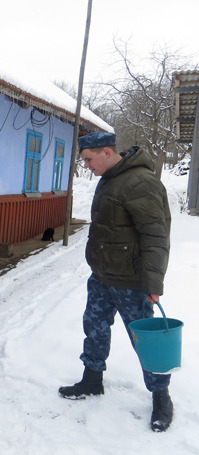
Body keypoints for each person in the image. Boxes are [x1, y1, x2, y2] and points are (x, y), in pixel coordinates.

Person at [58, 132, 173, 432]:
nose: (86, 166)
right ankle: (92, 379)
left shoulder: (140, 183)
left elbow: (155, 236)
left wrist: (153, 282)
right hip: (102, 277)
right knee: (94, 328)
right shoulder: (110, 177)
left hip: (131, 282)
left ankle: (161, 395)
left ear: (107, 152)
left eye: (88, 159)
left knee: (144, 342)